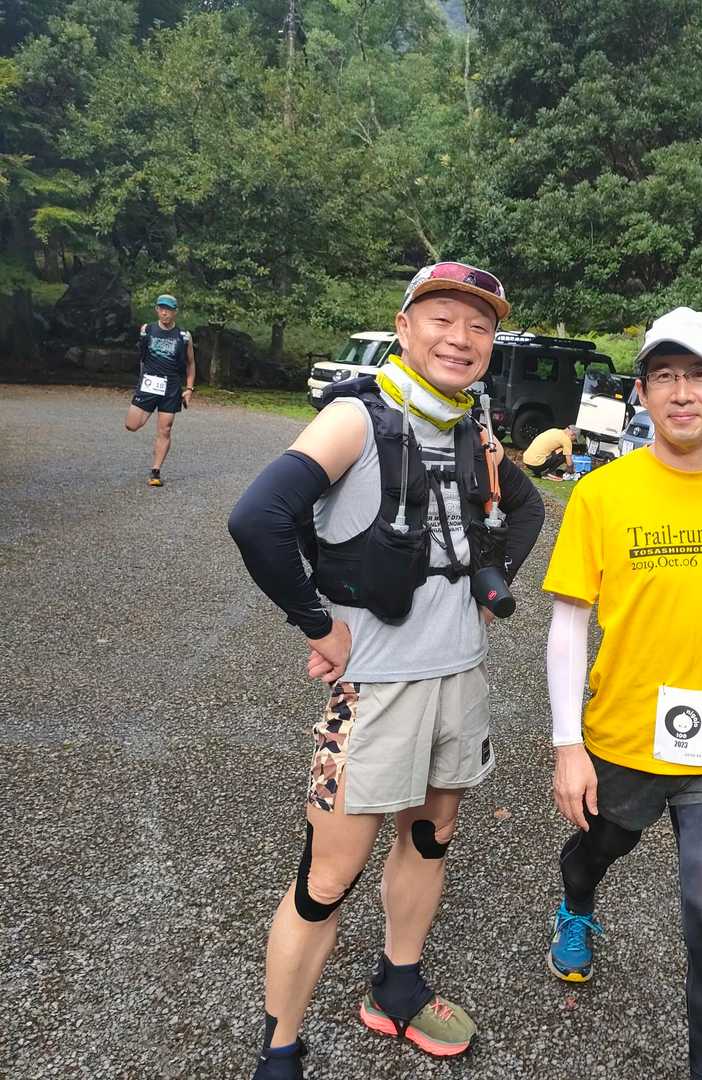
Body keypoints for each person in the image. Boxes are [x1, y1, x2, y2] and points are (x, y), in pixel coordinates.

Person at [228, 263, 544, 1080]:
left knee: (430, 840)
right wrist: (318, 623)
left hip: (458, 677)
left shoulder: (471, 427)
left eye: (480, 326)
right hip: (373, 688)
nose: (461, 338)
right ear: (404, 328)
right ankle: (279, 1050)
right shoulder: (354, 419)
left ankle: (397, 987)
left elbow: (528, 506)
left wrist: (491, 585)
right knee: (327, 877)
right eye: (442, 318)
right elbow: (258, 518)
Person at [541, 307, 702, 1080]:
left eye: (698, 376)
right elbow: (568, 623)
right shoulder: (602, 494)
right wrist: (567, 744)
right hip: (625, 736)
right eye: (664, 376)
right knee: (598, 852)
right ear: (642, 393)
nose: (681, 393)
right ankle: (576, 907)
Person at [124, 293, 195, 486]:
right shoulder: (147, 330)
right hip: (149, 384)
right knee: (132, 425)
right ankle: (148, 417)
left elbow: (190, 363)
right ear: (157, 309)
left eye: (169, 309)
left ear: (175, 312)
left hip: (171, 387)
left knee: (165, 429)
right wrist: (141, 382)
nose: (165, 313)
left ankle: (155, 471)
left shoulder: (183, 336)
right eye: (162, 309)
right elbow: (142, 357)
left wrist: (189, 388)